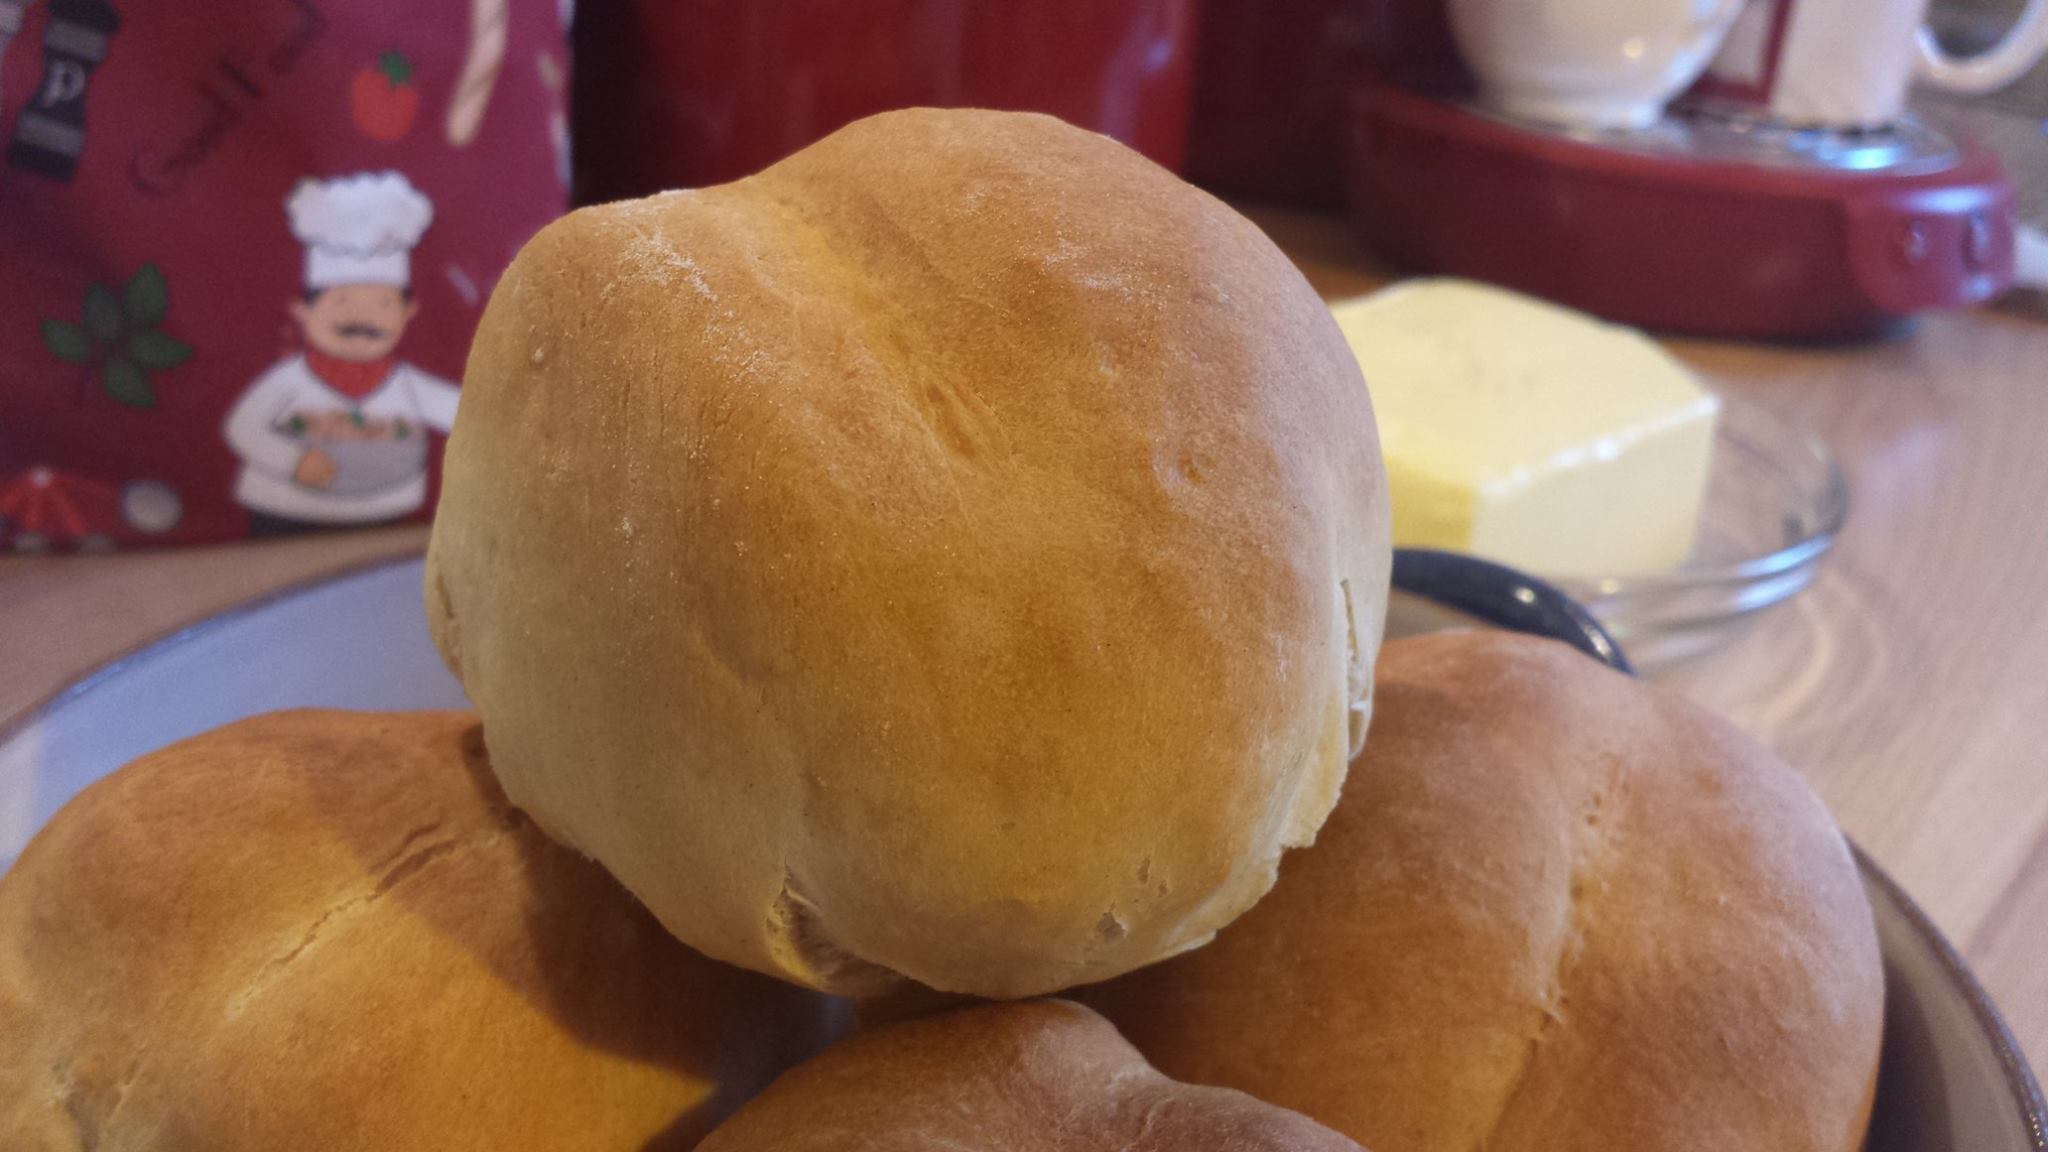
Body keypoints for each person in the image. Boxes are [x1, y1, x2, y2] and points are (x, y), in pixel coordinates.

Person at [222, 170, 459, 534]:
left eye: (382, 304)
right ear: (304, 311)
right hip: (280, 511)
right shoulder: (290, 379)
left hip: (394, 513)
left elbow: (462, 413)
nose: (361, 318)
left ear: (407, 312)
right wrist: (292, 461)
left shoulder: (405, 383)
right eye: (341, 301)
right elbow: (242, 426)